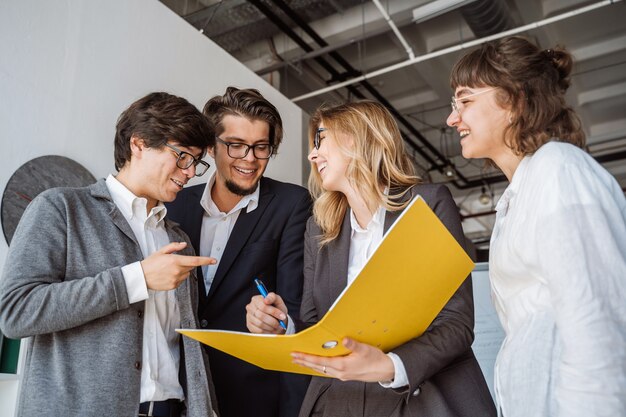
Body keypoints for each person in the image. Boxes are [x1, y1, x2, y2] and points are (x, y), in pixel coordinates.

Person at [246, 100, 496, 417]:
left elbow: (457, 323)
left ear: (358, 136)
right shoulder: (319, 228)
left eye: (320, 140)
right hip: (340, 402)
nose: (312, 154)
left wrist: (390, 366)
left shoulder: (427, 205)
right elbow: (316, 324)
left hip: (419, 398)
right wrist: (282, 325)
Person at [0, 92, 219, 417]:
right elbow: (17, 312)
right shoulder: (60, 208)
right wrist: (137, 279)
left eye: (197, 163)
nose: (189, 173)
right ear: (139, 143)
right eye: (182, 156)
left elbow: (184, 345)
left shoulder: (178, 239)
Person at [446, 36, 626, 417]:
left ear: (514, 101)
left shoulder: (559, 169)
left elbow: (596, 323)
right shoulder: (519, 195)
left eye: (465, 101)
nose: (452, 118)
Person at [166, 86, 311, 417]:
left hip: (253, 397)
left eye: (261, 147)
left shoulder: (291, 204)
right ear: (211, 147)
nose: (249, 159)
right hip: (180, 392)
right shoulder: (174, 206)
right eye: (235, 146)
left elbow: (296, 308)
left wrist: (280, 322)